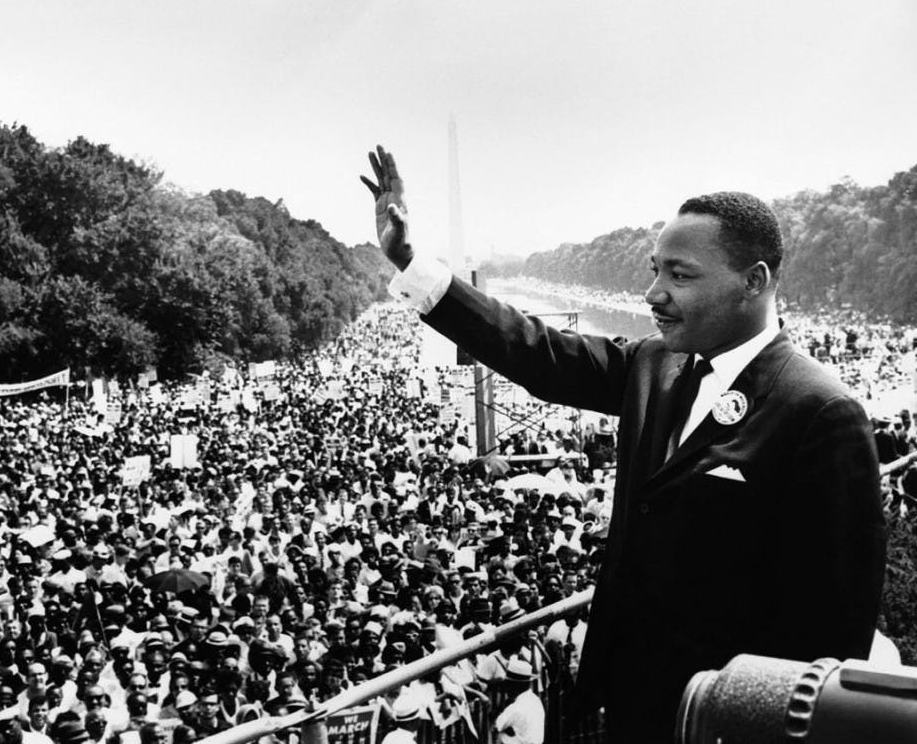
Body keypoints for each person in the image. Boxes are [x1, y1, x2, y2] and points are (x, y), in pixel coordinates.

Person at [361, 145, 887, 742]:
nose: (653, 293)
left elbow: (831, 635)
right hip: (629, 703)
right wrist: (409, 260)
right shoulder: (653, 363)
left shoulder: (821, 412)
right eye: (654, 269)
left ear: (754, 281)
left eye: (680, 275)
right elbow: (534, 350)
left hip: (723, 720)